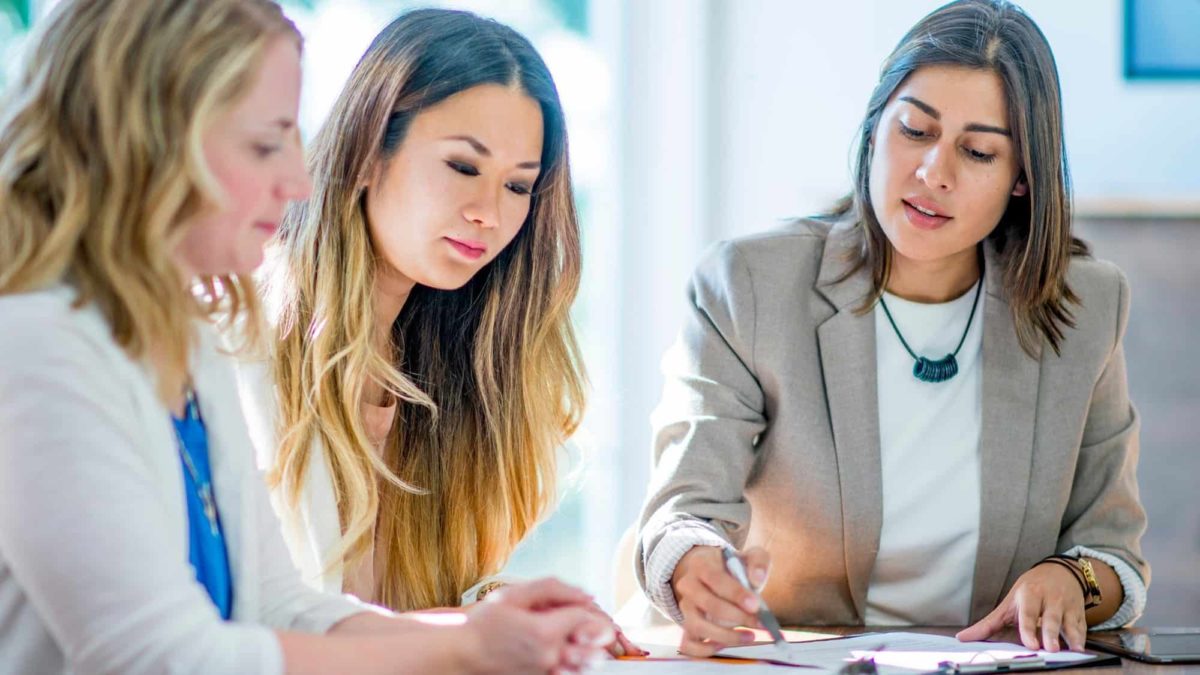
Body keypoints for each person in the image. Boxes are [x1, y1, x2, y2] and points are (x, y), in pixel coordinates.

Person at [0, 1, 611, 672]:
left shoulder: (184, 339)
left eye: (519, 185)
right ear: (139, 140)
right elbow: (160, 654)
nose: (297, 181)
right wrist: (462, 644)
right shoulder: (37, 346)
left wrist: (483, 629)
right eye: (266, 144)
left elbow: (279, 603)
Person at [635, 0, 1147, 658]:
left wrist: (1070, 577)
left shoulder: (1086, 306)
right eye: (914, 130)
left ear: (1022, 178)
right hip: (794, 658)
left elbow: (1114, 552)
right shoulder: (748, 284)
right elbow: (683, 509)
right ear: (875, 128)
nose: (936, 171)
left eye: (978, 150)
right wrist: (695, 562)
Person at [236, 8, 640, 656]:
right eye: (461, 165)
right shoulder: (251, 341)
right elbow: (273, 620)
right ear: (369, 150)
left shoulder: (454, 365)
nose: (489, 213)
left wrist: (506, 612)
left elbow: (401, 609)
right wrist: (469, 632)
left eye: (517, 185)